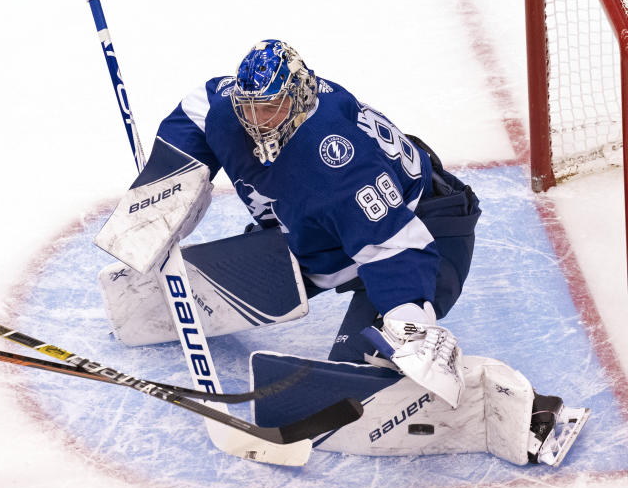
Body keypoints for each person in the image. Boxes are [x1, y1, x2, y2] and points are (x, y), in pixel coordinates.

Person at [128, 39, 482, 404]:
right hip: (330, 229)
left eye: (269, 109)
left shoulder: (337, 159)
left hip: (427, 228)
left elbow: (395, 244)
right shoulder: (230, 112)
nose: (257, 122)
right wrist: (164, 190)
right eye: (248, 109)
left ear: (298, 98)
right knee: (271, 262)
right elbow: (197, 107)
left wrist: (409, 324)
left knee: (360, 369)